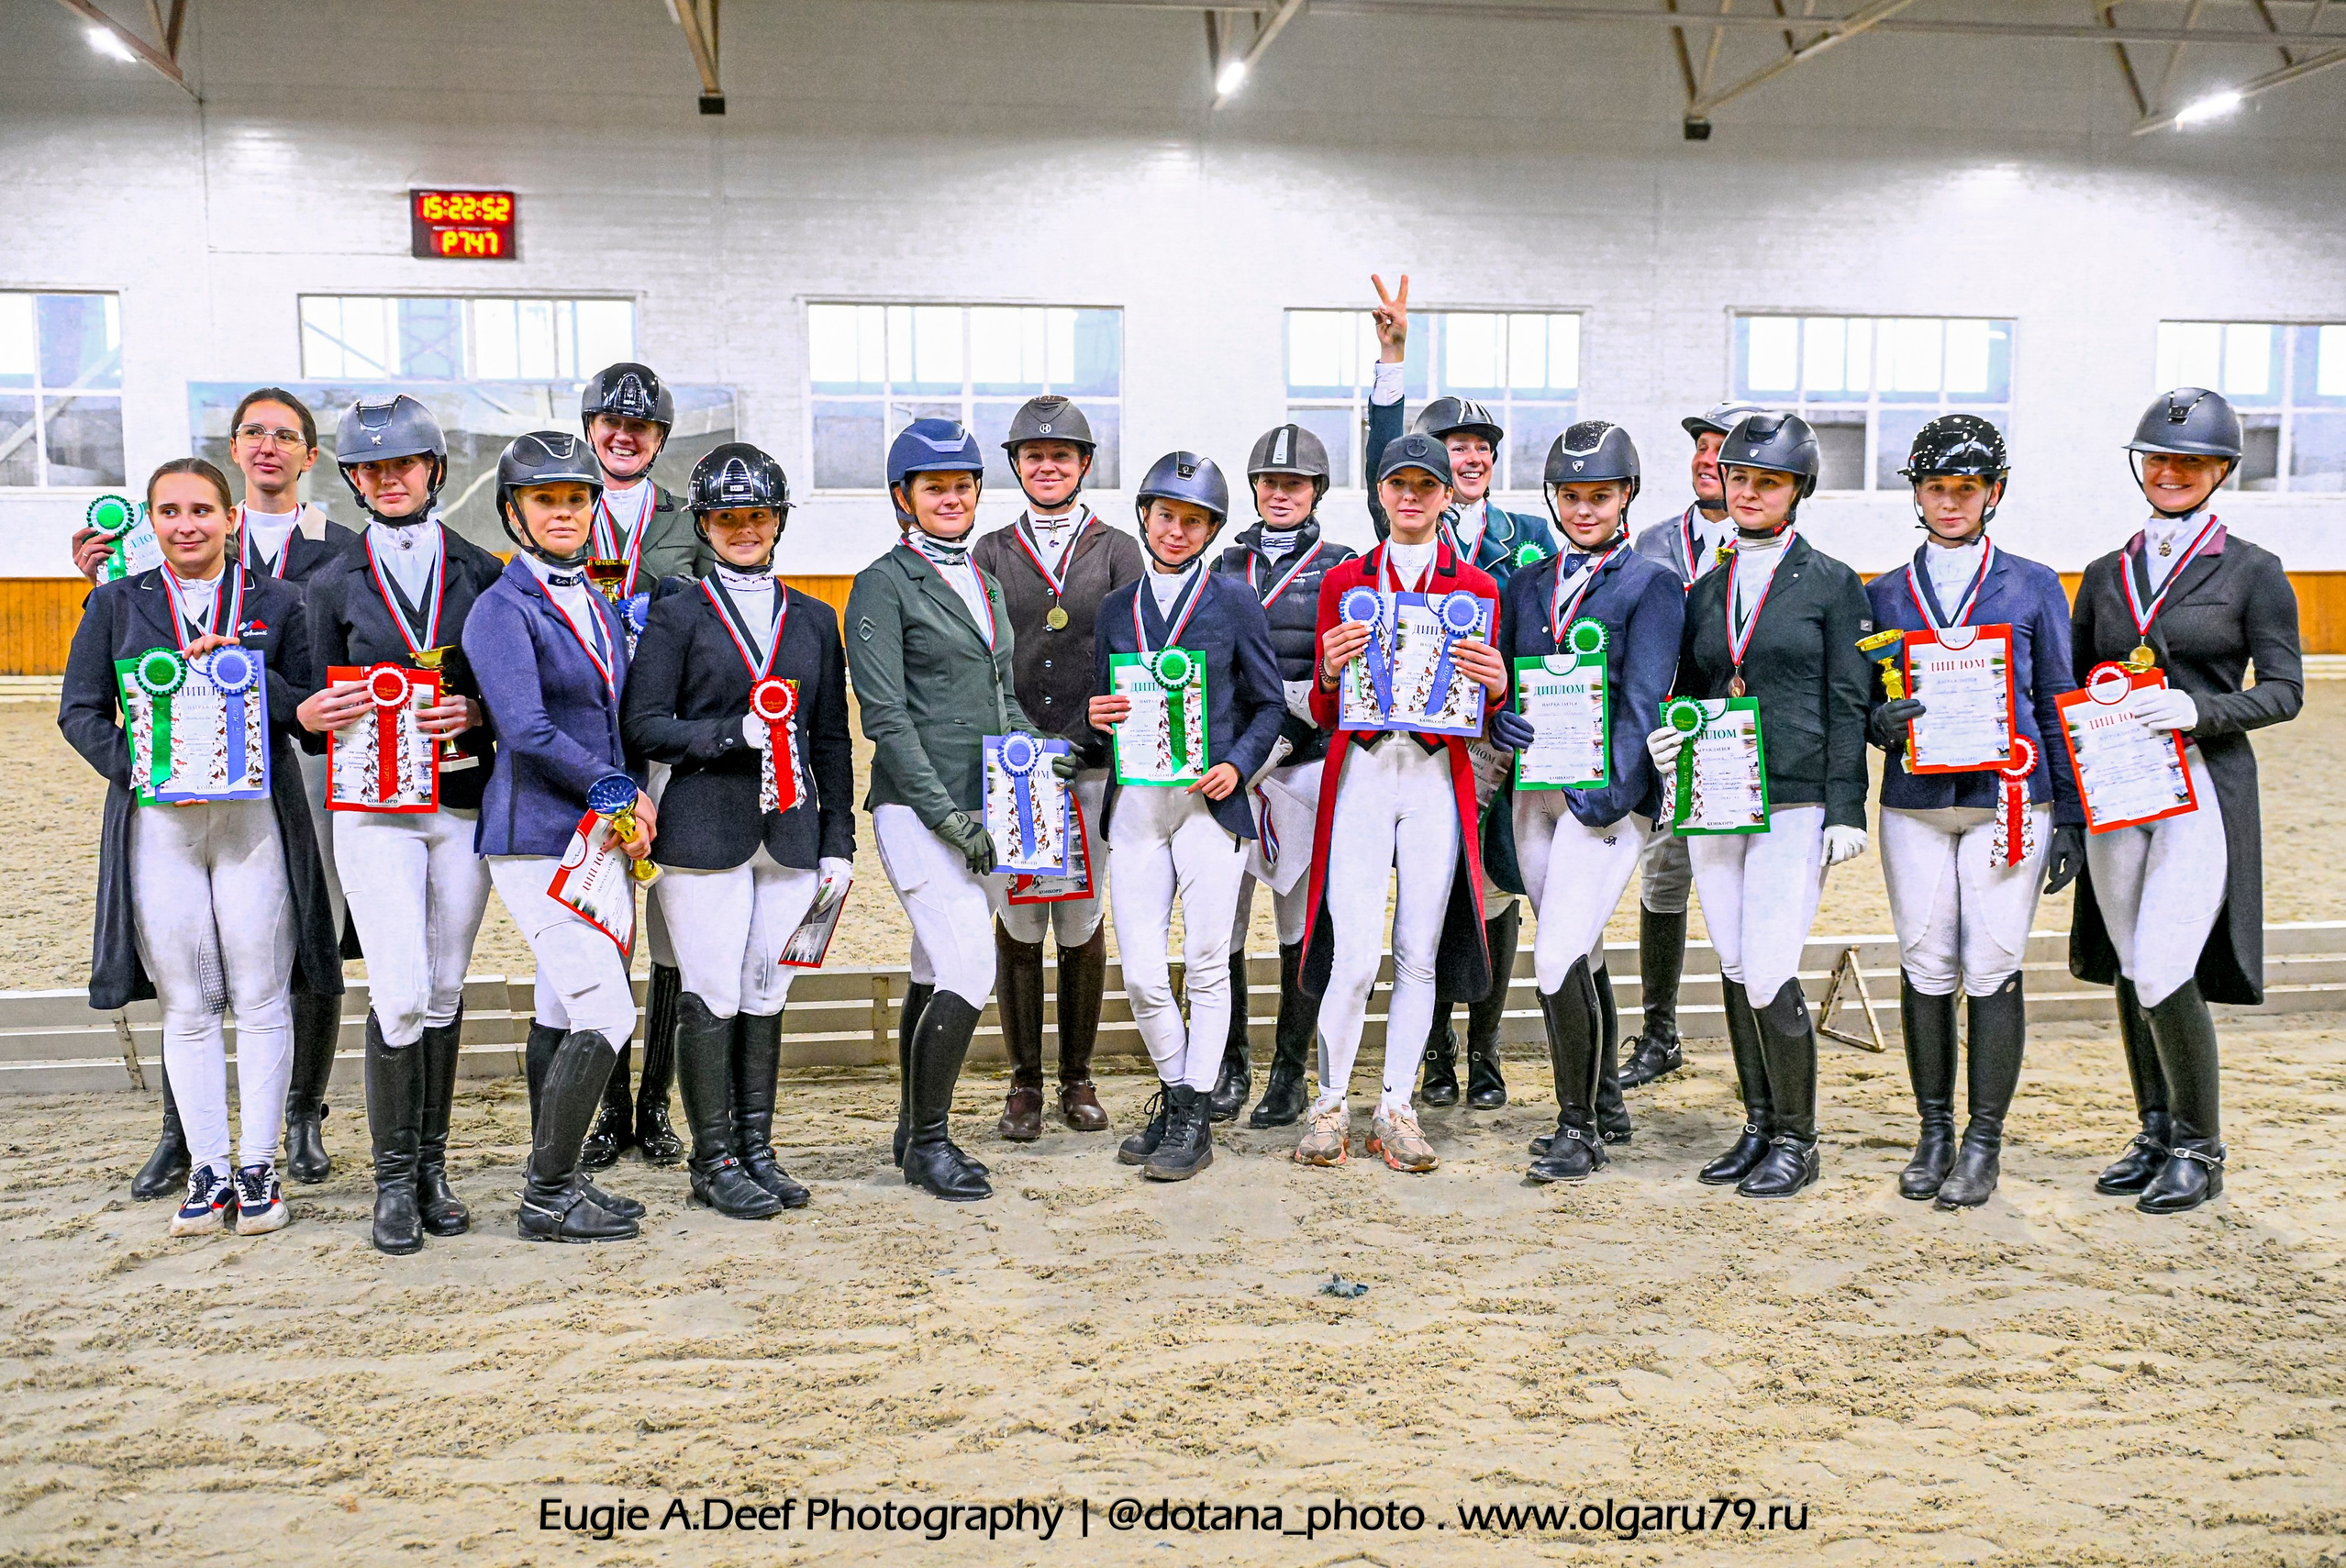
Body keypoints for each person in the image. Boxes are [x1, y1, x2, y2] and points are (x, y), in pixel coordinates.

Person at [59, 458, 340, 1237]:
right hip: (164, 826)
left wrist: (247, 672)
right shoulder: (116, 602)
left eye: (201, 510)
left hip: (253, 821)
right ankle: (207, 1169)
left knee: (258, 993)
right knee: (186, 1004)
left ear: (229, 518)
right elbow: (78, 709)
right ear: (151, 521)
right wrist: (141, 772)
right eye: (170, 512)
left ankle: (259, 1166)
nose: (186, 525)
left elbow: (308, 711)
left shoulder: (279, 600)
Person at [2069, 388, 2302, 1215]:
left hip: (2198, 784)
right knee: (2133, 964)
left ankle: (2202, 1147)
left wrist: (2200, 710)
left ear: (2220, 472)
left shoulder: (2254, 570)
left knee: (2167, 961)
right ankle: (2157, 1127)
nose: (2170, 473)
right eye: (2159, 459)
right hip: (2116, 788)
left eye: (2189, 462)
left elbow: (2283, 692)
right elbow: (2069, 688)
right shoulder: (2104, 574)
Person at [622, 442, 855, 1218]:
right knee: (712, 990)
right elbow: (645, 723)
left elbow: (830, 740)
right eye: (727, 517)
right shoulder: (678, 610)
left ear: (777, 520)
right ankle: (711, 1155)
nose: (744, 529)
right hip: (703, 829)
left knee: (767, 989)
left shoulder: (816, 619)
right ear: (706, 524)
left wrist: (838, 842)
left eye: (757, 515)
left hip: (789, 832)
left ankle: (756, 1145)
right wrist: (733, 734)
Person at [1647, 412, 1872, 1200]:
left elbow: (1848, 698)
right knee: (1738, 966)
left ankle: (1798, 1139)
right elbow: (1690, 689)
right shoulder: (1704, 589)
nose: (1748, 491)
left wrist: (1849, 804)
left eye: (1766, 481)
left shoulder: (1833, 582)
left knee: (1772, 965)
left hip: (1797, 794)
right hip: (1717, 794)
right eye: (1739, 477)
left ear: (1796, 490)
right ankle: (1756, 1124)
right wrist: (1668, 747)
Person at [299, 395, 504, 1254]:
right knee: (401, 988)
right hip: (375, 811)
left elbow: (511, 687)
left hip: (457, 803)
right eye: (372, 468)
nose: (389, 478)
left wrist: (476, 707)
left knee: (448, 988)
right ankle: (390, 1181)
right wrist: (311, 710)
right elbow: (310, 694)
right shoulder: (328, 581)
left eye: (404, 465)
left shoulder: (485, 573)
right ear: (352, 478)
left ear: (434, 471)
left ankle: (431, 1166)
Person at [1863, 417, 2085, 1209]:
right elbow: (1866, 700)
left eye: (1966, 489)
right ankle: (1931, 1128)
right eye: (1936, 488)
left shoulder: (2031, 583)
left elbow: (2058, 697)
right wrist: (1873, 725)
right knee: (1925, 962)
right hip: (1916, 802)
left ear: (1992, 493)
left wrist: (2072, 815)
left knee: (1990, 962)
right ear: (1916, 494)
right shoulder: (1883, 591)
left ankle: (1982, 1139)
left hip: (2010, 799)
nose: (1950, 502)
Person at [845, 418, 1069, 1203]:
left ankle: (912, 1129)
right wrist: (948, 819)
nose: (950, 498)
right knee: (971, 966)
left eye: (962, 485)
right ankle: (934, 1143)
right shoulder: (881, 582)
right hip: (916, 807)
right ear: (903, 497)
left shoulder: (979, 575)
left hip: (986, 803)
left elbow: (1001, 690)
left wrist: (1036, 755)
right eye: (934, 486)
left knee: (932, 964)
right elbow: (886, 718)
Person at [1362, 275, 1559, 1112]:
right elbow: (1381, 450)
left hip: (1500, 741)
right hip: (1426, 737)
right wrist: (1391, 361)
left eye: (1480, 445)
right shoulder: (1405, 523)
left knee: (1496, 887)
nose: (1468, 455)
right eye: (1452, 444)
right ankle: (1434, 1047)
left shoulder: (1533, 536)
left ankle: (1483, 1048)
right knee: (1428, 884)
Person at [1295, 433, 1512, 1173]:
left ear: (1448, 494)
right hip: (1359, 767)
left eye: (1427, 484)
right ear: (1380, 493)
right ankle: (1328, 1102)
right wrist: (1326, 671)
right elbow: (1327, 710)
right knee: (1354, 952)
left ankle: (1395, 1104)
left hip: (1432, 775)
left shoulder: (1477, 587)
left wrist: (1497, 685)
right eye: (1399, 484)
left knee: (1418, 950)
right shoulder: (1343, 580)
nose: (1412, 496)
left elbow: (1482, 711)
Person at [464, 431, 659, 1243]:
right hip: (534, 831)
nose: (565, 512)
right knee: (606, 1011)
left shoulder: (594, 599)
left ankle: (565, 1172)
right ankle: (545, 1194)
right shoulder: (500, 609)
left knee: (559, 1002)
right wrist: (618, 789)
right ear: (514, 510)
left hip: (591, 836)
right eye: (547, 500)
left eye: (576, 499)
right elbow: (528, 728)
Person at [1086, 452, 1284, 1180]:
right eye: (1166, 515)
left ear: (1210, 530)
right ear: (1145, 516)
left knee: (1204, 961)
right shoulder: (1116, 609)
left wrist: (1238, 761)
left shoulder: (1234, 600)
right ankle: (1177, 1092)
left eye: (1192, 520)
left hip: (1210, 801)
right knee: (1140, 972)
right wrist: (1094, 714)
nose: (1176, 530)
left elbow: (1267, 702)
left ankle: (1193, 1114)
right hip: (1137, 803)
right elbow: (1105, 708)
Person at [1497, 423, 1684, 1181]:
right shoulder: (1527, 584)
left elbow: (1642, 698)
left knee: (1556, 952)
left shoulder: (1650, 584)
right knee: (1582, 949)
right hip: (1534, 790)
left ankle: (1577, 1130)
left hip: (1605, 796)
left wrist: (1609, 795)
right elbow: (1509, 681)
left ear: (1624, 497)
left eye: (1598, 496)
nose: (1583, 509)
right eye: (1570, 497)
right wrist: (1496, 718)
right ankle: (1604, 1099)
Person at [968, 396, 1139, 1140]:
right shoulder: (988, 550)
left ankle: (1078, 1076)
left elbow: (1134, 650)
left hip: (1092, 762)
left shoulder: (1118, 550)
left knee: (1078, 915)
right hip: (1014, 765)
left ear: (1084, 465)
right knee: (1018, 916)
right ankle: (1023, 1082)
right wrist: (1021, 744)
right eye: (1033, 456)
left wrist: (1078, 737)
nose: (1047, 466)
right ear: (1016, 465)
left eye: (1061, 456)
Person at [577, 361, 708, 1173]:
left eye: (641, 427)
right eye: (611, 424)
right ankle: (604, 1106)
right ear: (592, 428)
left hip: (659, 732)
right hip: (587, 733)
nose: (624, 436)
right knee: (593, 917)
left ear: (659, 439)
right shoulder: (557, 503)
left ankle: (654, 1104)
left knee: (664, 926)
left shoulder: (688, 522)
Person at [1619, 398, 1769, 1092]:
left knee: (1745, 894)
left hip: (1743, 743)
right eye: (1703, 447)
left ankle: (1762, 1037)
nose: (1709, 460)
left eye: (1724, 449)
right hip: (1671, 739)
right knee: (1664, 877)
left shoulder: (1772, 543)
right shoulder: (1650, 541)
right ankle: (1659, 1031)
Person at [1210, 423, 1357, 1129]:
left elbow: (1343, 672)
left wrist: (1286, 730)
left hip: (1303, 762)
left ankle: (1288, 1069)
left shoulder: (1340, 564)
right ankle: (1228, 1061)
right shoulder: (1222, 566)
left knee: (1298, 920)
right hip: (1230, 764)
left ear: (1315, 492)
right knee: (1224, 920)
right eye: (1269, 482)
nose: (1279, 494)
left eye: (1292, 483)